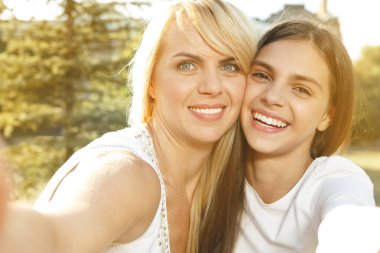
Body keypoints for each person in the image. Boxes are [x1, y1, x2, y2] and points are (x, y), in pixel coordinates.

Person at [0, 0, 257, 252]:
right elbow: (57, 237)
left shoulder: (228, 185)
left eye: (229, 66)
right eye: (187, 65)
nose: (211, 86)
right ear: (152, 83)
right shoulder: (126, 175)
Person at [234, 20, 378, 253]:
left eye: (301, 89)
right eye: (262, 75)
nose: (273, 97)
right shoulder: (214, 174)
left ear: (327, 117)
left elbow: (350, 222)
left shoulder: (334, 178)